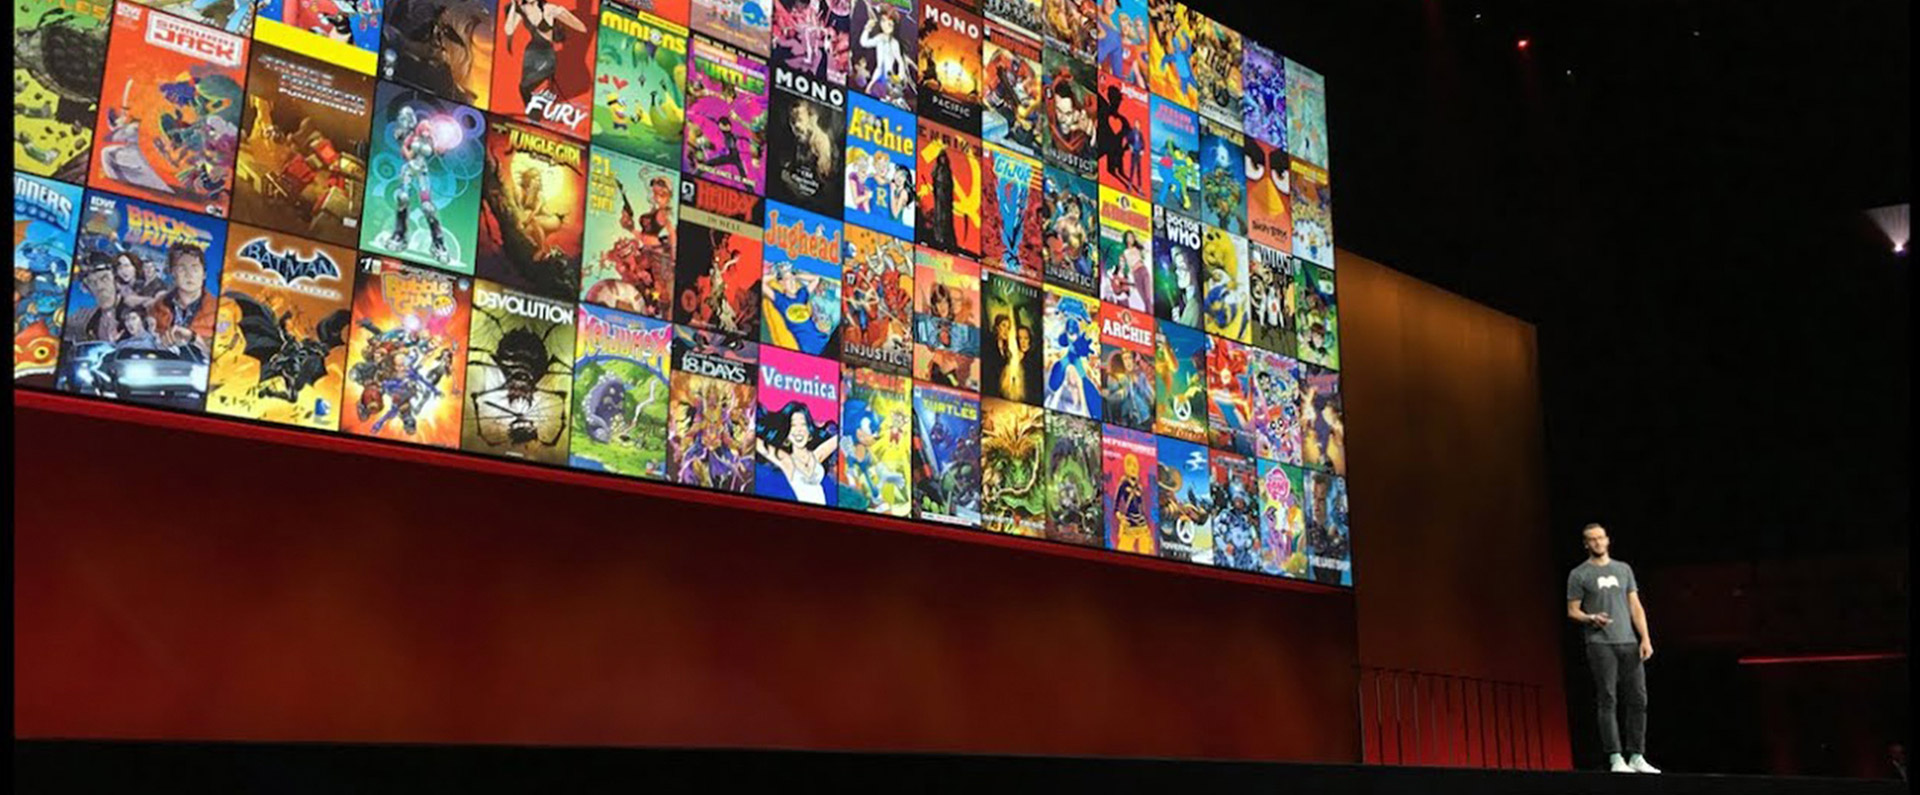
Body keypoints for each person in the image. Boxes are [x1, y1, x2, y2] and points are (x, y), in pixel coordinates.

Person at [1567, 523, 1660, 774]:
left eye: (1601, 538)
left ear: (1608, 540)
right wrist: (1591, 618)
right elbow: (1572, 611)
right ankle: (1615, 757)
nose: (1597, 543)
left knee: (1638, 698)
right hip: (1600, 643)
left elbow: (1635, 606)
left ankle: (1637, 755)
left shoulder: (1623, 569)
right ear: (1586, 544)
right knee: (1608, 698)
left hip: (1628, 641)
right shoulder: (1579, 574)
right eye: (1592, 539)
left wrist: (1645, 638)